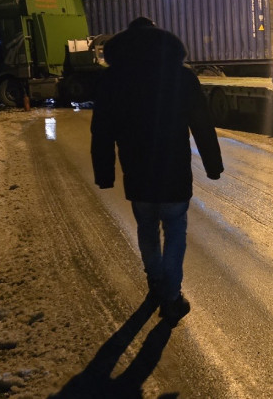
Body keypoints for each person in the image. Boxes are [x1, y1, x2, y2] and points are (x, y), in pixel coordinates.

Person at [91, 17, 224, 322]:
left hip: (137, 171)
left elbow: (102, 131)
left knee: (147, 227)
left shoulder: (112, 80)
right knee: (176, 229)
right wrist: (213, 166)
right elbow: (202, 124)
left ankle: (155, 281)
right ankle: (172, 297)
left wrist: (105, 173)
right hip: (174, 170)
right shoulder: (182, 77)